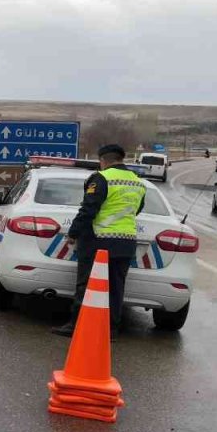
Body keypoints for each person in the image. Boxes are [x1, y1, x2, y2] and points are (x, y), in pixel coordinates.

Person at [51, 144, 146, 337]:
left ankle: (76, 325)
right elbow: (136, 209)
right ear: (121, 158)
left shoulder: (102, 178)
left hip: (99, 241)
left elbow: (88, 209)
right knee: (116, 288)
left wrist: (73, 233)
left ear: (102, 160)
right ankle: (111, 330)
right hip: (126, 242)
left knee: (87, 284)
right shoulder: (138, 182)